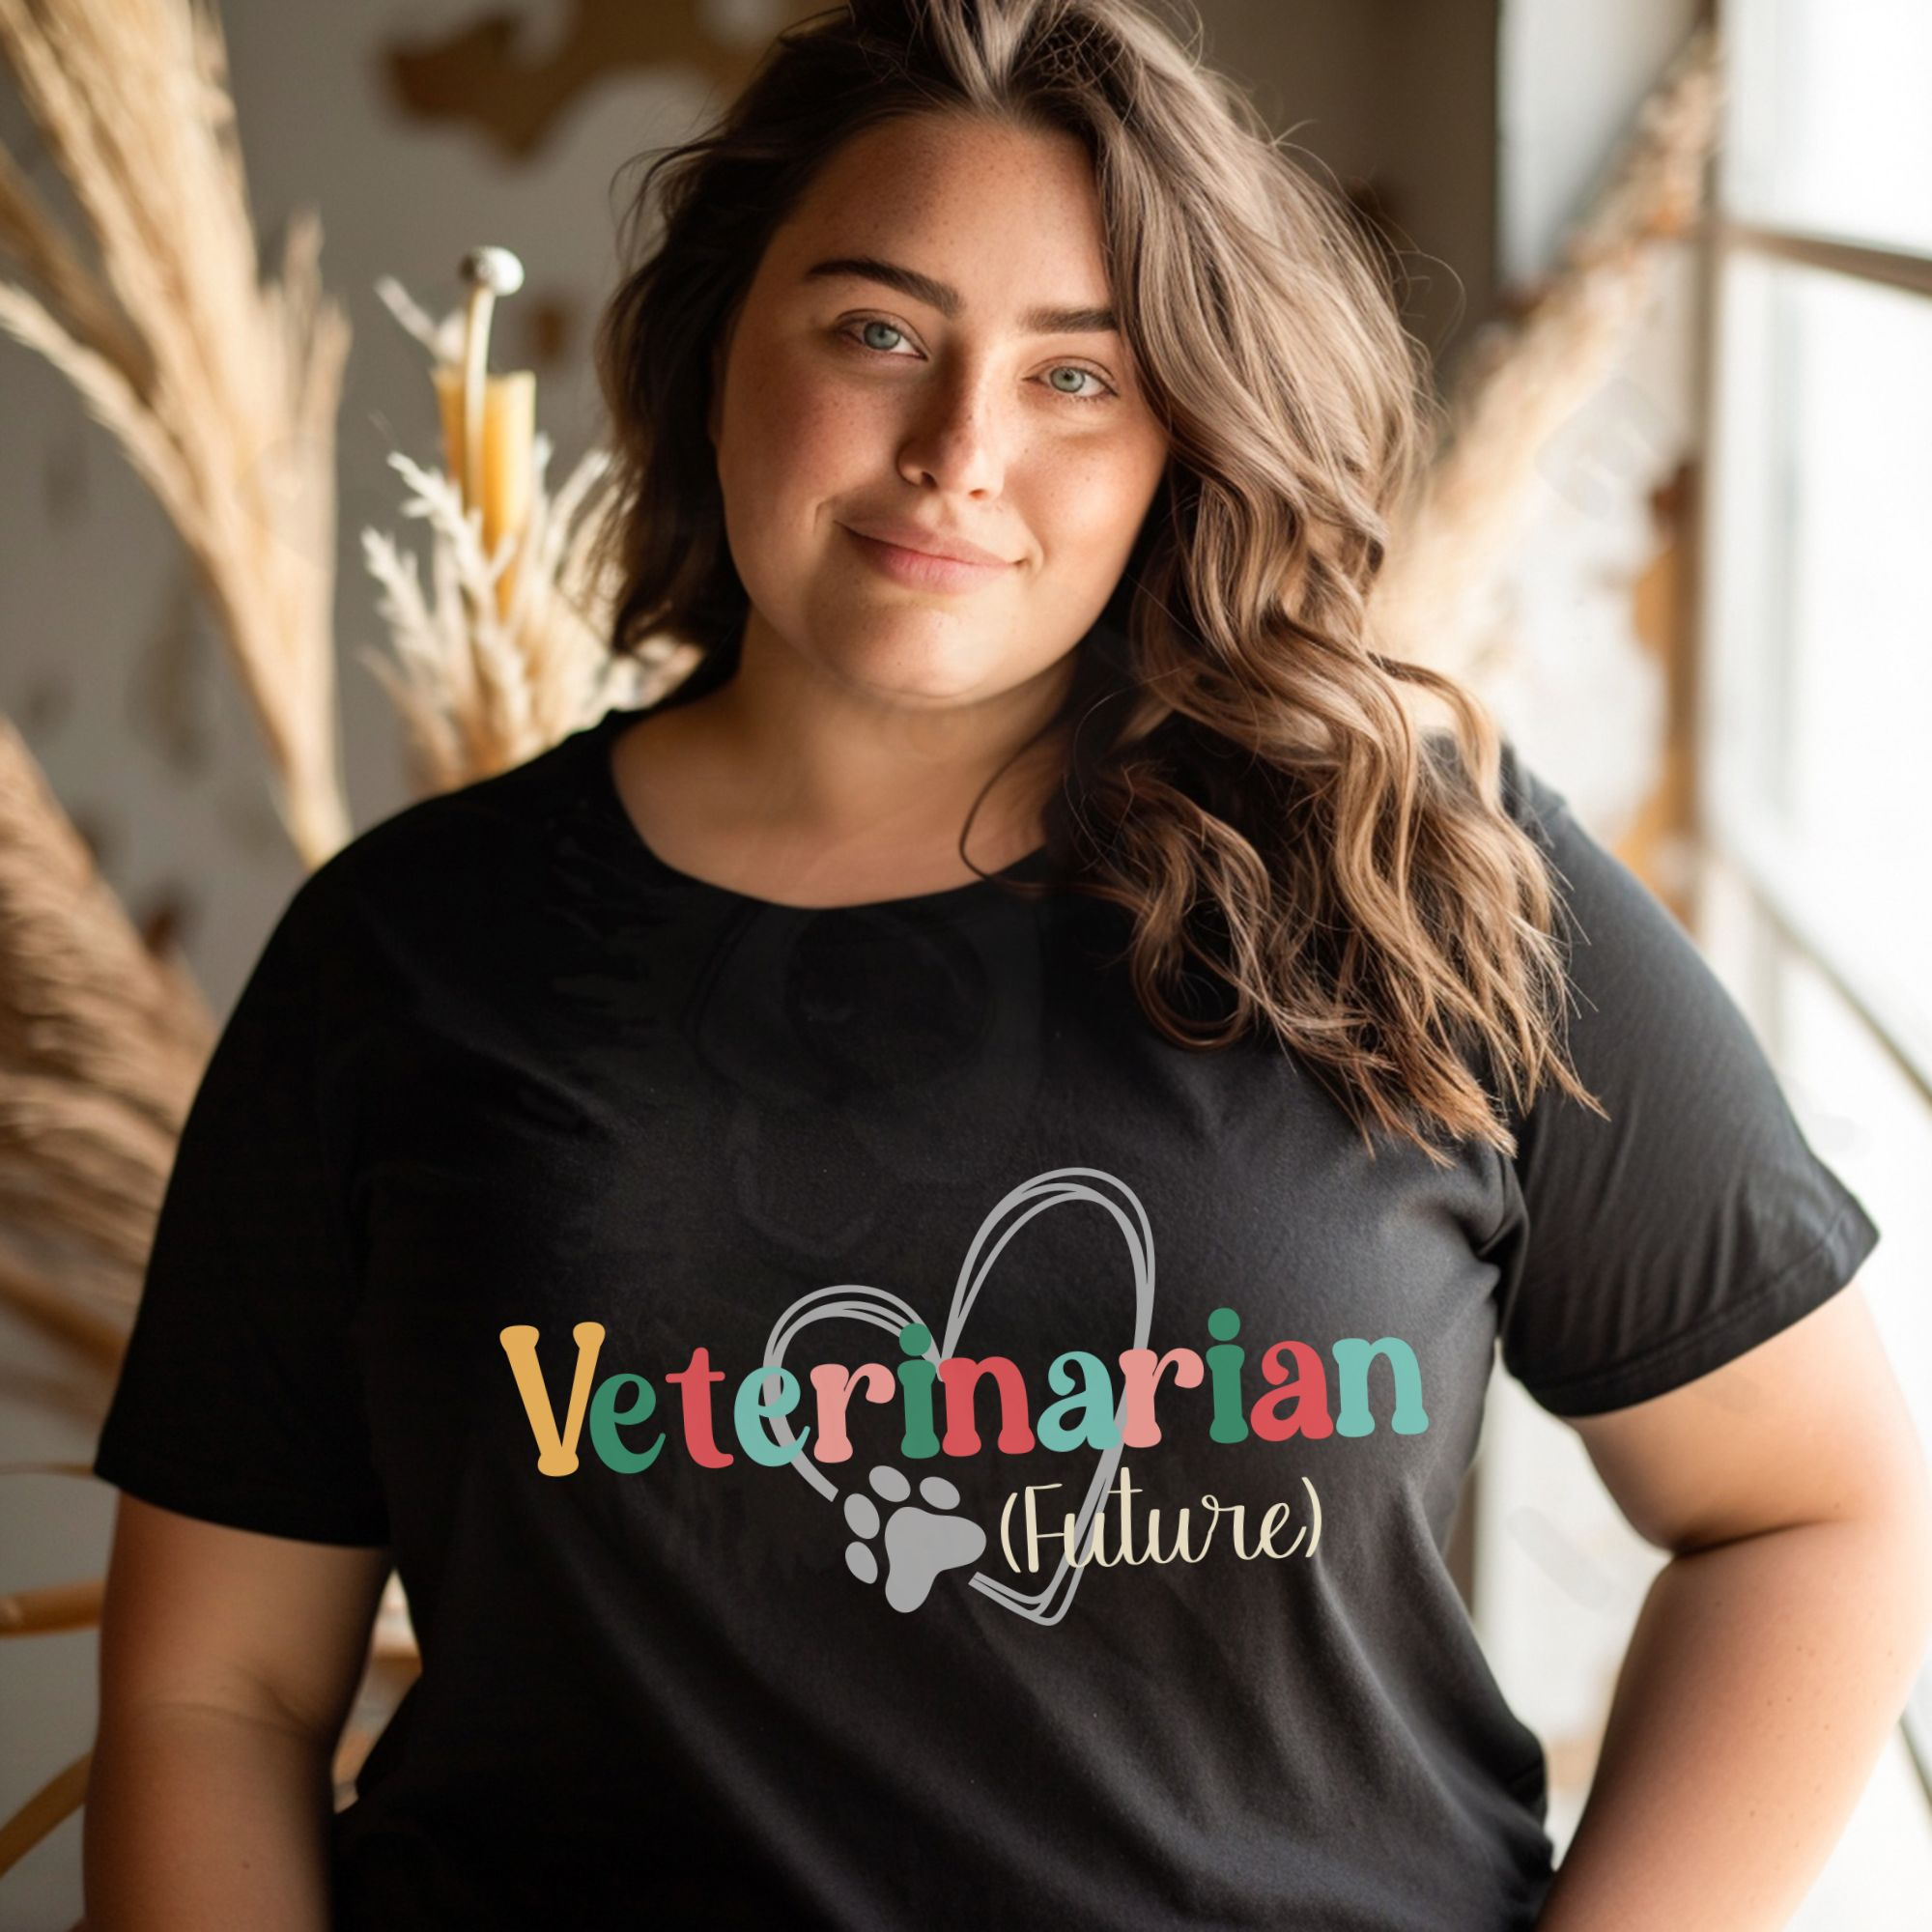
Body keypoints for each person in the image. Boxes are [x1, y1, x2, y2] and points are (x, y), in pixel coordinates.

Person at [82, 1, 1932, 1927]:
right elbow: (220, 1687)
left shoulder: (1412, 875)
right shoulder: (409, 953)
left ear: (1181, 436)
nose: (957, 450)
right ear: (721, 344)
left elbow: (1813, 1509)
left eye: (1076, 375)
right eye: (876, 331)